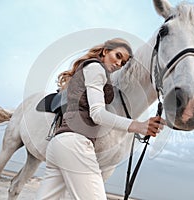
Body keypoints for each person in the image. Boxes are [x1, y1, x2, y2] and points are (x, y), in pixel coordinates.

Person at [36, 38, 165, 199]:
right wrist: (137, 126)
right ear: (105, 51)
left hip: (59, 145)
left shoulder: (89, 69)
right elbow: (97, 114)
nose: (119, 63)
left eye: (123, 62)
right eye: (117, 56)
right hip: (76, 144)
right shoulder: (96, 68)